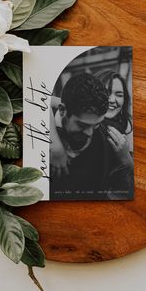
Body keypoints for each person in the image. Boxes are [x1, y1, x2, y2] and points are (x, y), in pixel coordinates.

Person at [49, 72, 133, 200]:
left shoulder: (114, 135)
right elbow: (38, 98)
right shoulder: (43, 130)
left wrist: (126, 159)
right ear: (62, 111)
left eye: (96, 125)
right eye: (82, 125)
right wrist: (55, 146)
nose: (89, 134)